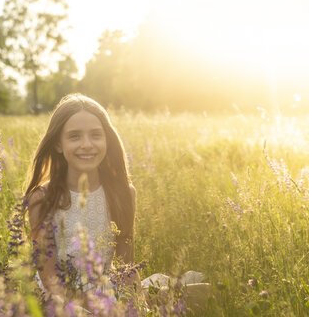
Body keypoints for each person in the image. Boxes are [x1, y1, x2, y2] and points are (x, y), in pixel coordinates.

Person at [24, 93, 210, 313]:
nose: (87, 144)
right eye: (74, 136)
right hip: (59, 299)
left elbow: (125, 267)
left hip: (107, 288)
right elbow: (49, 278)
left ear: (107, 140)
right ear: (58, 144)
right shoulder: (42, 199)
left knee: (204, 293)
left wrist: (136, 304)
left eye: (96, 135)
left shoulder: (123, 194)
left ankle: (160, 296)